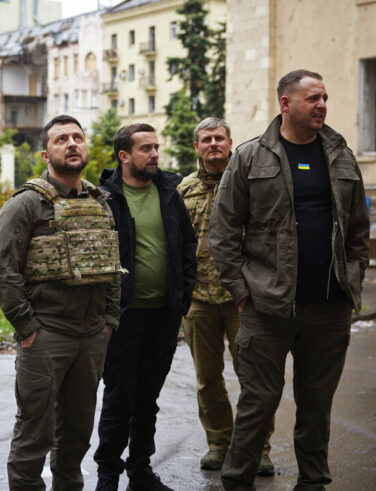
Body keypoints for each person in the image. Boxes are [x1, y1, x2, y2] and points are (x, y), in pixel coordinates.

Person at [210, 69, 370, 489]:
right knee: (258, 404)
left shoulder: (340, 155)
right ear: (286, 103)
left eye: (325, 97)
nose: (322, 105)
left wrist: (351, 280)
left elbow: (357, 230)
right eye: (313, 98)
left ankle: (313, 482)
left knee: (317, 406)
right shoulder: (249, 157)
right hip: (268, 308)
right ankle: (237, 481)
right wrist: (244, 295)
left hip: (329, 307)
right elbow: (223, 233)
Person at [0, 114, 122, 490]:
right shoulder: (26, 204)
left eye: (77, 137)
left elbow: (113, 266)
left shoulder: (100, 202)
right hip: (46, 334)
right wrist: (28, 329)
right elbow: (4, 269)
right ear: (46, 153)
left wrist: (108, 322)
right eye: (61, 139)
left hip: (91, 335)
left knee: (79, 433)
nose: (72, 144)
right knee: (36, 431)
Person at [95, 123, 197, 491]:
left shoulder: (169, 192)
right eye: (146, 148)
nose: (154, 154)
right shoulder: (104, 197)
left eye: (156, 147)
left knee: (147, 398)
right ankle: (107, 476)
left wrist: (182, 297)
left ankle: (140, 471)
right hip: (123, 317)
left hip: (163, 316)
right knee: (119, 397)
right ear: (124, 156)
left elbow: (187, 245)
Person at [177, 118, 275, 475]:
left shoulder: (249, 182)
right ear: (197, 147)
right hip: (199, 298)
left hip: (244, 297)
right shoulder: (184, 190)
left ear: (231, 142)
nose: (214, 144)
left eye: (219, 138)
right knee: (207, 379)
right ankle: (219, 443)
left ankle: (258, 449)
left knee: (254, 378)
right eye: (206, 139)